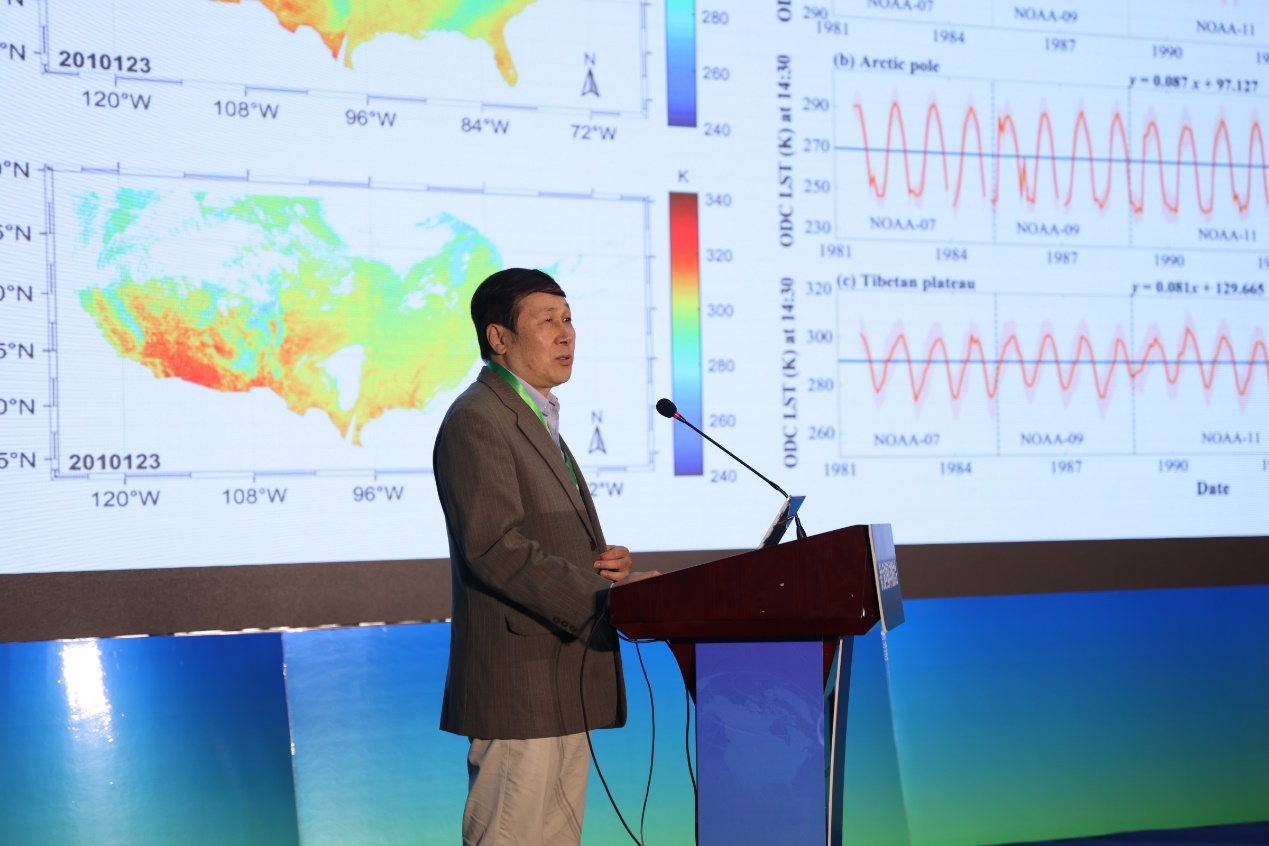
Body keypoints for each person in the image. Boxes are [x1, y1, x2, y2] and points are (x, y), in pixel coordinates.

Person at [433, 267, 649, 846]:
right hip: (520, 687)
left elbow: (543, 535)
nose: (566, 332)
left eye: (569, 318)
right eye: (547, 320)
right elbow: (494, 547)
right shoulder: (478, 418)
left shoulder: (536, 414)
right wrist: (601, 596)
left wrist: (603, 564)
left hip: (561, 679)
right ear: (499, 337)